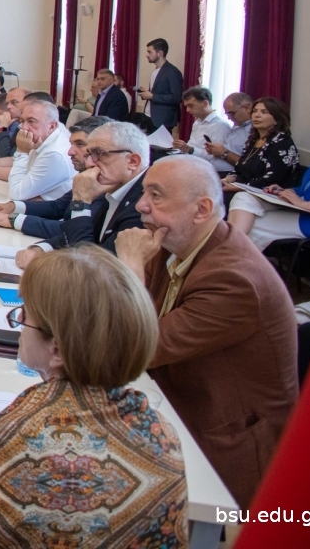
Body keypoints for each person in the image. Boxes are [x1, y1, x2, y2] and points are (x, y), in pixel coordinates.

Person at [0, 246, 187, 548]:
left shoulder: (2, 440)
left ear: (57, 350)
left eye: (26, 316)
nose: (19, 324)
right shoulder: (164, 436)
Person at [113, 155, 298, 507]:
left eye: (156, 195)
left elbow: (136, 347)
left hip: (223, 446)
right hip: (172, 399)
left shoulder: (234, 280)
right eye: (144, 192)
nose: (141, 205)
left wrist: (131, 265)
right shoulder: (173, 243)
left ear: (201, 210)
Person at [11, 121, 149, 268]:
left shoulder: (143, 205)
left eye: (99, 154)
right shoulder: (113, 185)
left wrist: (81, 202)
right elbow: (81, 232)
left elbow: (89, 266)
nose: (89, 163)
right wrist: (41, 249)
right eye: (89, 154)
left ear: (132, 161)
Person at [0, 116, 112, 240]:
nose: (70, 151)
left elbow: (75, 230)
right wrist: (12, 207)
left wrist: (14, 220)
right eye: (72, 144)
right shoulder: (90, 174)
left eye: (80, 144)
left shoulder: (57, 155)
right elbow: (58, 207)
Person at [228, 111, 310, 251]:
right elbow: (308, 188)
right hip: (302, 208)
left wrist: (308, 205)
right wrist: (287, 191)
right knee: (243, 197)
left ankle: (230, 254)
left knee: (251, 224)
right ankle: (232, 255)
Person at [0, 99, 74, 201]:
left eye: (31, 121)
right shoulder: (44, 138)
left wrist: (21, 152)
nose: (23, 127)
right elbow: (23, 168)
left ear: (52, 126)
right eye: (22, 121)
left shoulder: (54, 154)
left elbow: (16, 194)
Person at [221, 96, 298, 198]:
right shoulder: (253, 140)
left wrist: (238, 187)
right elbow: (239, 168)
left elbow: (271, 179)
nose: (257, 115)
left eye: (264, 112)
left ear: (276, 119)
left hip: (266, 193)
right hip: (242, 187)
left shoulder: (282, 143)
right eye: (255, 111)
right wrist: (227, 180)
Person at [172, 86, 232, 174]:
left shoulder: (220, 125)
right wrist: (181, 148)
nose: (188, 110)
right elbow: (192, 144)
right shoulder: (197, 122)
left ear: (205, 103)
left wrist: (190, 150)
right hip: (195, 163)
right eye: (186, 106)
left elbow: (217, 156)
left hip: (212, 170)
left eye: (191, 106)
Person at [138, 38, 184, 131]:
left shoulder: (172, 72)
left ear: (160, 53)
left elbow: (176, 98)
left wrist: (152, 96)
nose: (146, 55)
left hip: (162, 119)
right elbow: (160, 91)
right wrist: (147, 93)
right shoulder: (155, 70)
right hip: (149, 116)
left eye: (149, 52)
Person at [204, 91, 254, 167]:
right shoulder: (236, 127)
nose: (229, 118)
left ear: (246, 108)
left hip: (230, 172)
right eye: (227, 114)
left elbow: (248, 165)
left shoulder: (254, 130)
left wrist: (223, 153)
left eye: (232, 113)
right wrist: (215, 150)